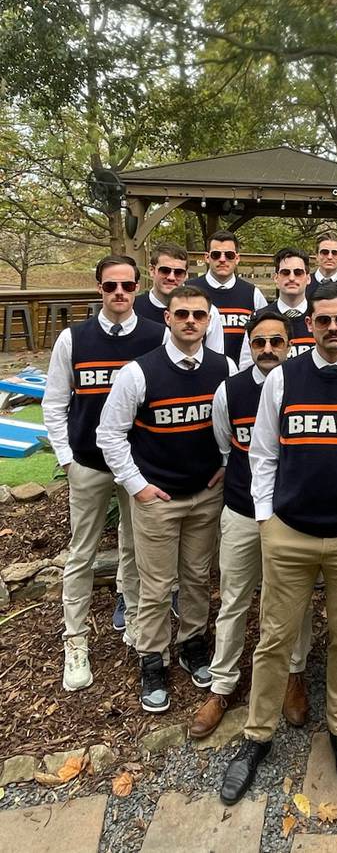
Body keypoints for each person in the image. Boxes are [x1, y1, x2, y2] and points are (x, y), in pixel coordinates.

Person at [219, 282, 337, 805]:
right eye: (322, 320)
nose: (332, 328)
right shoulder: (282, 378)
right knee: (275, 639)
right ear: (309, 325)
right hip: (290, 532)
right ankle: (257, 736)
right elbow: (261, 454)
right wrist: (265, 520)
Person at [97, 285, 236, 713]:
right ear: (168, 319)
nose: (190, 320)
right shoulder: (139, 372)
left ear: (209, 320)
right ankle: (152, 658)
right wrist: (136, 485)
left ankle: (193, 642)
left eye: (199, 314)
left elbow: (233, 424)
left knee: (196, 578)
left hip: (204, 494)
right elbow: (110, 434)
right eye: (182, 314)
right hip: (158, 496)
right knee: (156, 586)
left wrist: (226, 465)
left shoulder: (223, 367)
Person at [189, 309, 313, 738]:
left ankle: (293, 675)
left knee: (291, 602)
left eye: (276, 341)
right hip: (241, 510)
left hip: (293, 515)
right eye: (259, 342)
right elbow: (226, 444)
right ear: (249, 345)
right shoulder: (231, 390)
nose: (267, 349)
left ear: (291, 344)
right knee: (234, 599)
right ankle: (223, 684)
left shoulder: (307, 386)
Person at [43, 255, 163, 692]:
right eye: (111, 286)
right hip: (89, 464)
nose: (119, 294)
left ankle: (133, 618)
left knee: (135, 547)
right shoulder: (73, 339)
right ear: (98, 288)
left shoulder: (156, 336)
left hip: (137, 466)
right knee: (82, 552)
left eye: (127, 286)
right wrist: (66, 458)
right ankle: (74, 639)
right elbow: (55, 403)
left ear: (137, 287)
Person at [133, 240, 225, 355]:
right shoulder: (133, 309)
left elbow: (215, 358)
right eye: (165, 271)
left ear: (186, 275)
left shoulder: (207, 311)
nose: (171, 277)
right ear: (152, 270)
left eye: (178, 272)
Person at [188, 231, 267, 360]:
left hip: (240, 373)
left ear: (237, 258)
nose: (222, 259)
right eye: (216, 255)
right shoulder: (189, 290)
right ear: (207, 257)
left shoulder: (252, 294)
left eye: (229, 255)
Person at [237, 247, 314, 369]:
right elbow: (246, 367)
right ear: (276, 278)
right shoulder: (259, 318)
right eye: (285, 273)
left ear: (308, 278)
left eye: (298, 272)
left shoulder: (321, 317)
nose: (292, 278)